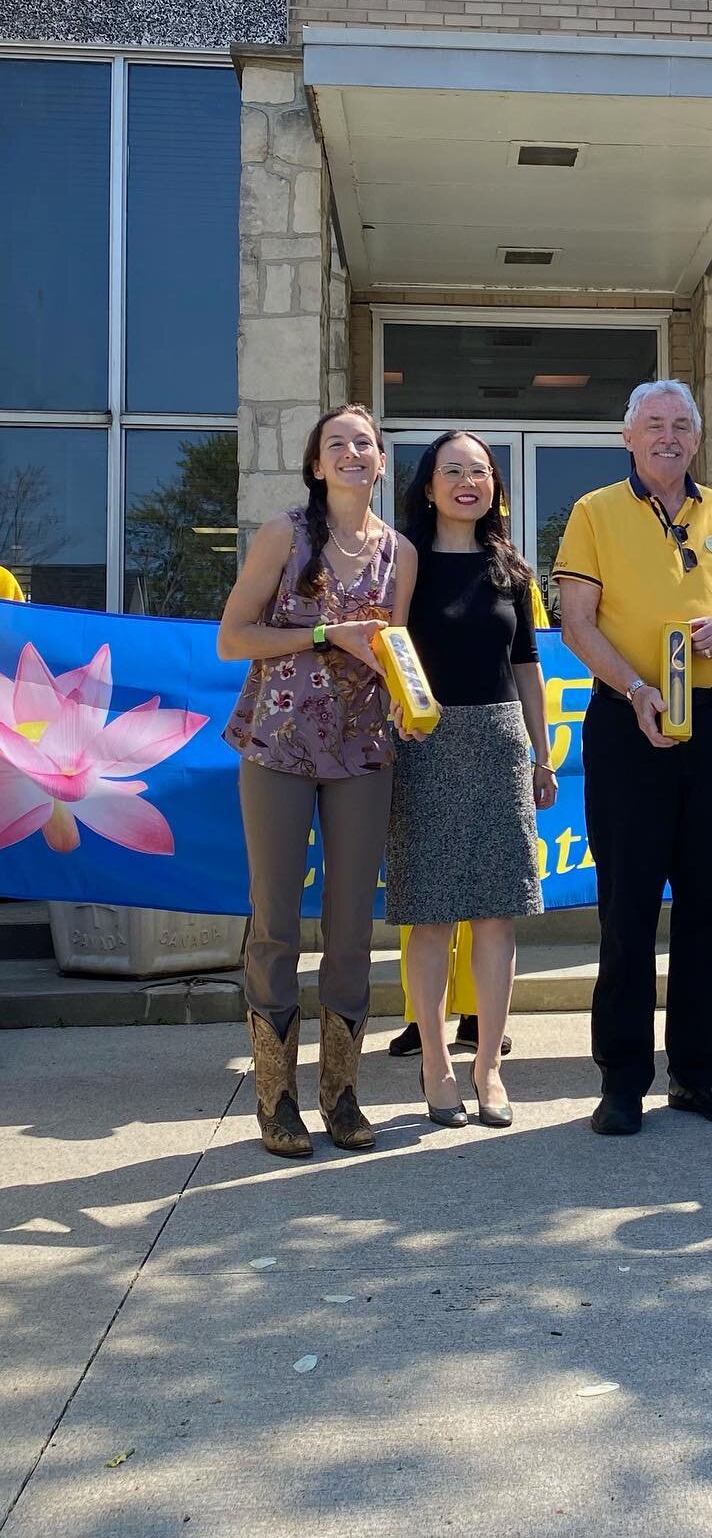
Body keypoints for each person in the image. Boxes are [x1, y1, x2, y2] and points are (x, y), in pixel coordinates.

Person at [554, 380, 712, 1137]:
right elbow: (576, 622)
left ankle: (699, 1072)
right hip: (630, 719)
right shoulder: (594, 512)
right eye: (653, 424)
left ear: (697, 438)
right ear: (628, 437)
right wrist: (636, 688)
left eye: (682, 425)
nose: (669, 436)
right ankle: (623, 1078)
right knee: (628, 905)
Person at [219, 405, 416, 1158]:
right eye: (337, 443)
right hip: (278, 746)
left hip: (364, 750)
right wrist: (328, 634)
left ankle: (341, 1094)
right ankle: (276, 1100)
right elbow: (233, 637)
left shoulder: (399, 552)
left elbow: (395, 650)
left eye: (365, 442)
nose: (352, 452)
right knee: (274, 920)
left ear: (379, 461)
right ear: (316, 464)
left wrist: (414, 697)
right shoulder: (285, 534)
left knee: (351, 925)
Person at [385, 431, 556, 1130]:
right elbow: (388, 643)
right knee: (430, 916)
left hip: (498, 743)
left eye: (479, 471)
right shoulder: (405, 562)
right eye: (451, 471)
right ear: (428, 487)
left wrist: (542, 755)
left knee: (496, 913)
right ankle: (436, 1063)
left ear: (494, 487)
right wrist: (398, 709)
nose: (467, 482)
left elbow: (527, 668)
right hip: (424, 742)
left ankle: (488, 1066)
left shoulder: (510, 568)